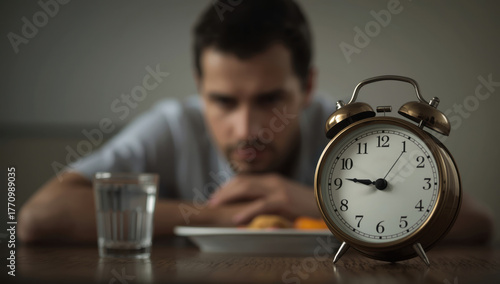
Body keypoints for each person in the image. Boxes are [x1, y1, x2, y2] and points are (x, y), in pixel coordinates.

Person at [18, 0, 493, 244]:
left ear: (307, 88)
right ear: (199, 87)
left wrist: (317, 204)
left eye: (270, 99)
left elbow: (474, 222)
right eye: (223, 101)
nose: (246, 127)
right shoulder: (172, 125)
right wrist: (218, 217)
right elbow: (38, 221)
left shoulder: (348, 131)